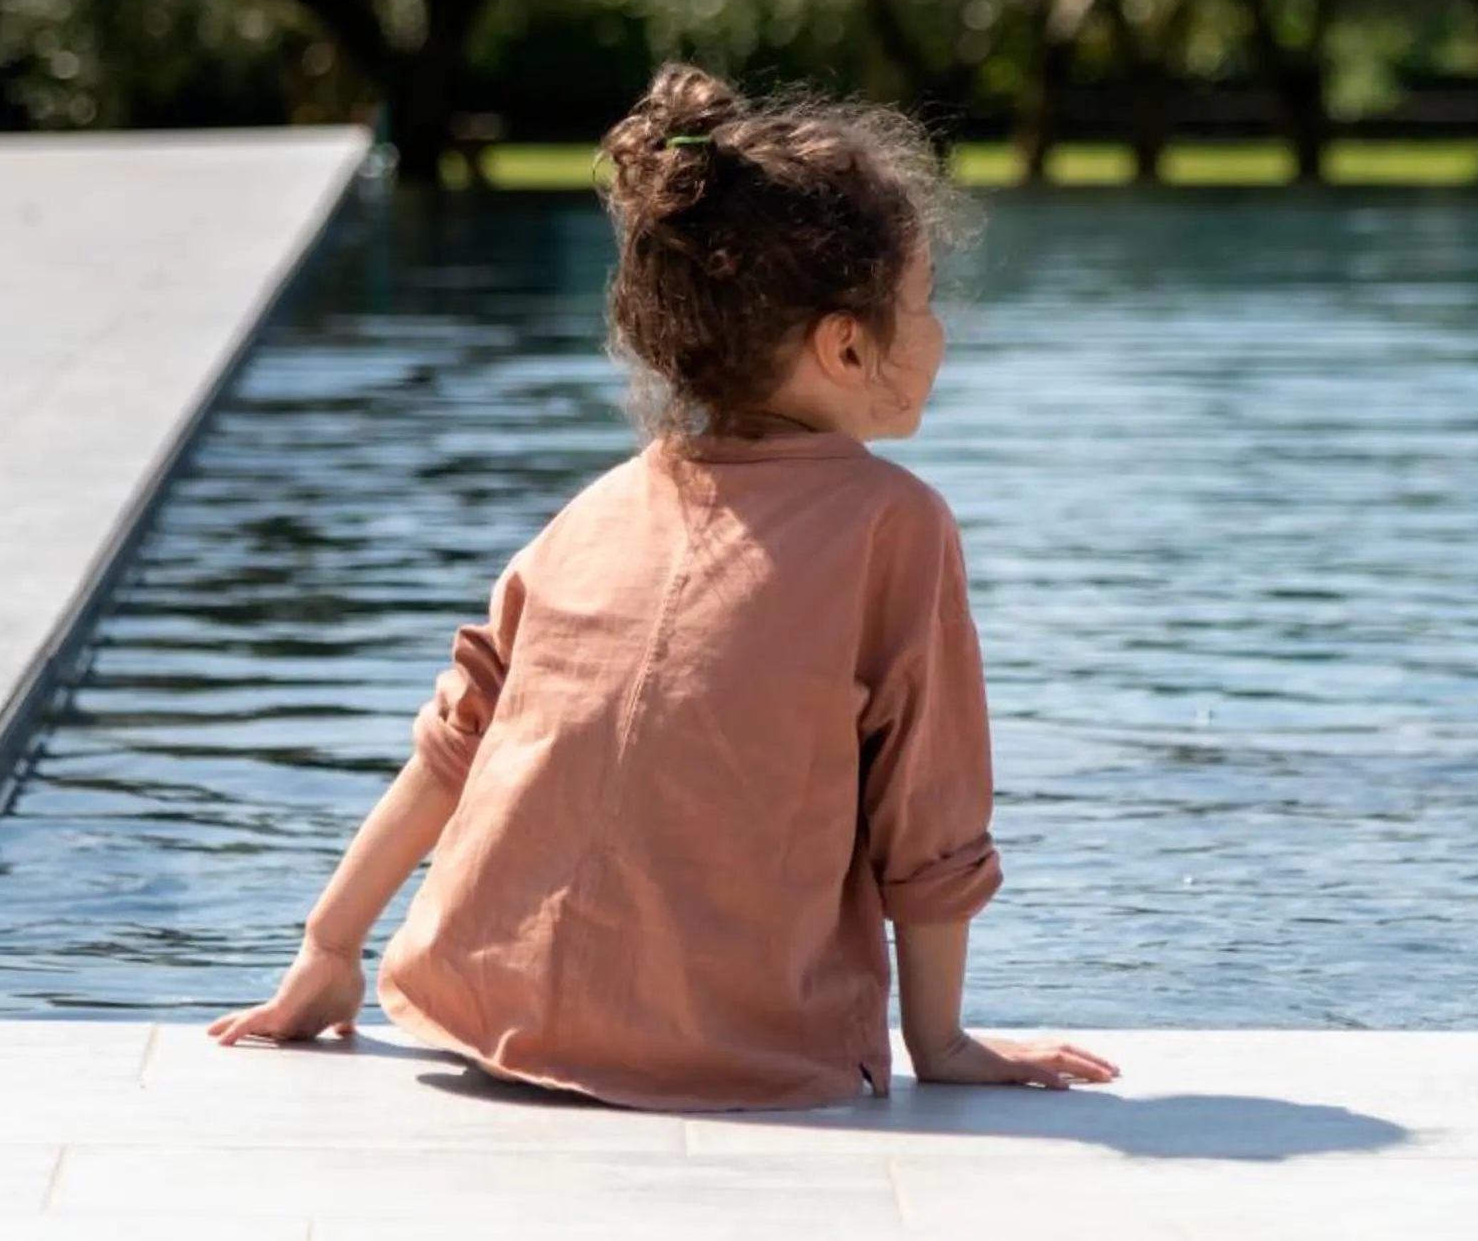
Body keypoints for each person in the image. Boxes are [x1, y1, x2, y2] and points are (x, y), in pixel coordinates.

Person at [209, 65, 1117, 1110]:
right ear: (845, 342)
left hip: (484, 1014)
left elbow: (454, 744)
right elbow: (930, 812)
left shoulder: (593, 511)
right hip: (730, 1047)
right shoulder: (895, 525)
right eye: (923, 302)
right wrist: (940, 1040)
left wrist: (330, 948)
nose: (941, 328)